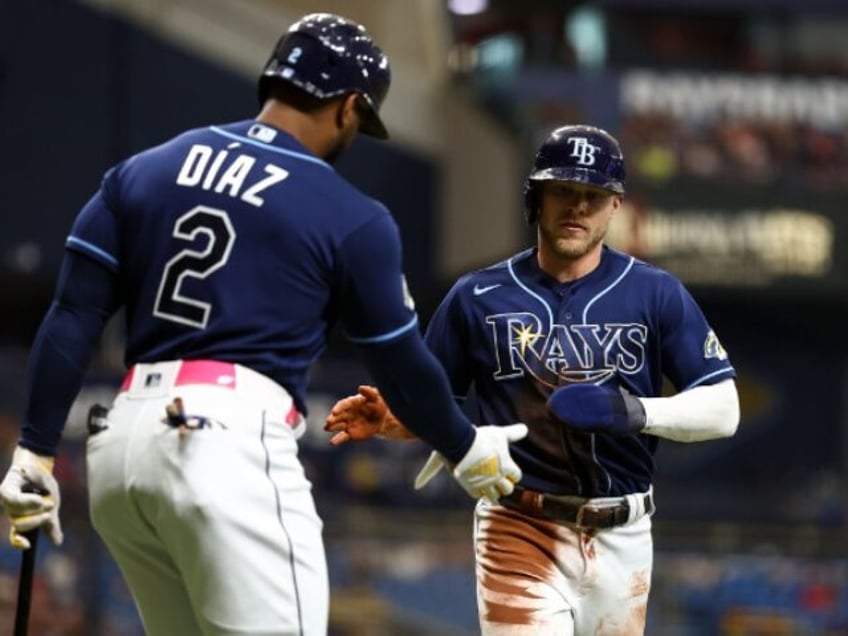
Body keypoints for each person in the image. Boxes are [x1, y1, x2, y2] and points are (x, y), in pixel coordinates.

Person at [0, 13, 527, 636]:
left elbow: (73, 315)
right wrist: (465, 445)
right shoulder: (350, 213)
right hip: (226, 440)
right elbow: (402, 364)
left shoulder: (144, 169)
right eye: (361, 117)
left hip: (120, 449)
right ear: (350, 104)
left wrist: (34, 450)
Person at [324, 124, 740, 634]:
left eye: (594, 195)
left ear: (615, 206)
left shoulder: (656, 293)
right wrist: (397, 415)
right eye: (563, 190)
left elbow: (724, 408)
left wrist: (634, 411)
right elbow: (437, 403)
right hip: (520, 524)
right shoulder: (477, 295)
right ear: (537, 197)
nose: (577, 207)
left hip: (625, 534)